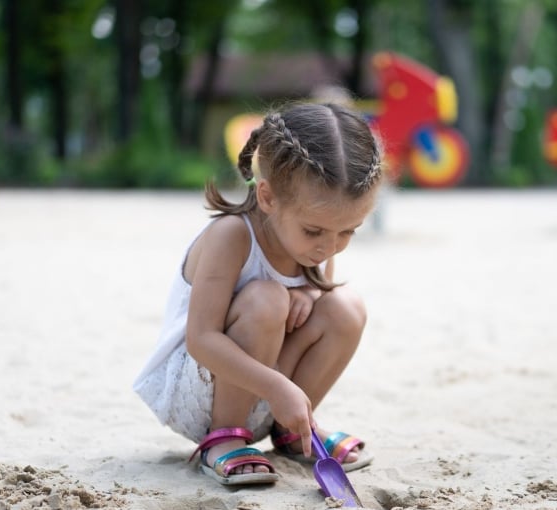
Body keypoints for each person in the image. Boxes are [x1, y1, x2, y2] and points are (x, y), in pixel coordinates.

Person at [133, 102, 381, 486]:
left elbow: (321, 298)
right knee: (267, 298)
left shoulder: (320, 248)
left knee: (345, 306)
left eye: (349, 231)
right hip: (203, 390)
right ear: (267, 197)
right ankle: (225, 438)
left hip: (275, 396)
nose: (329, 247)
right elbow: (201, 339)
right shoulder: (232, 236)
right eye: (314, 231)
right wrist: (275, 385)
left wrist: (309, 297)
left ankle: (291, 432)